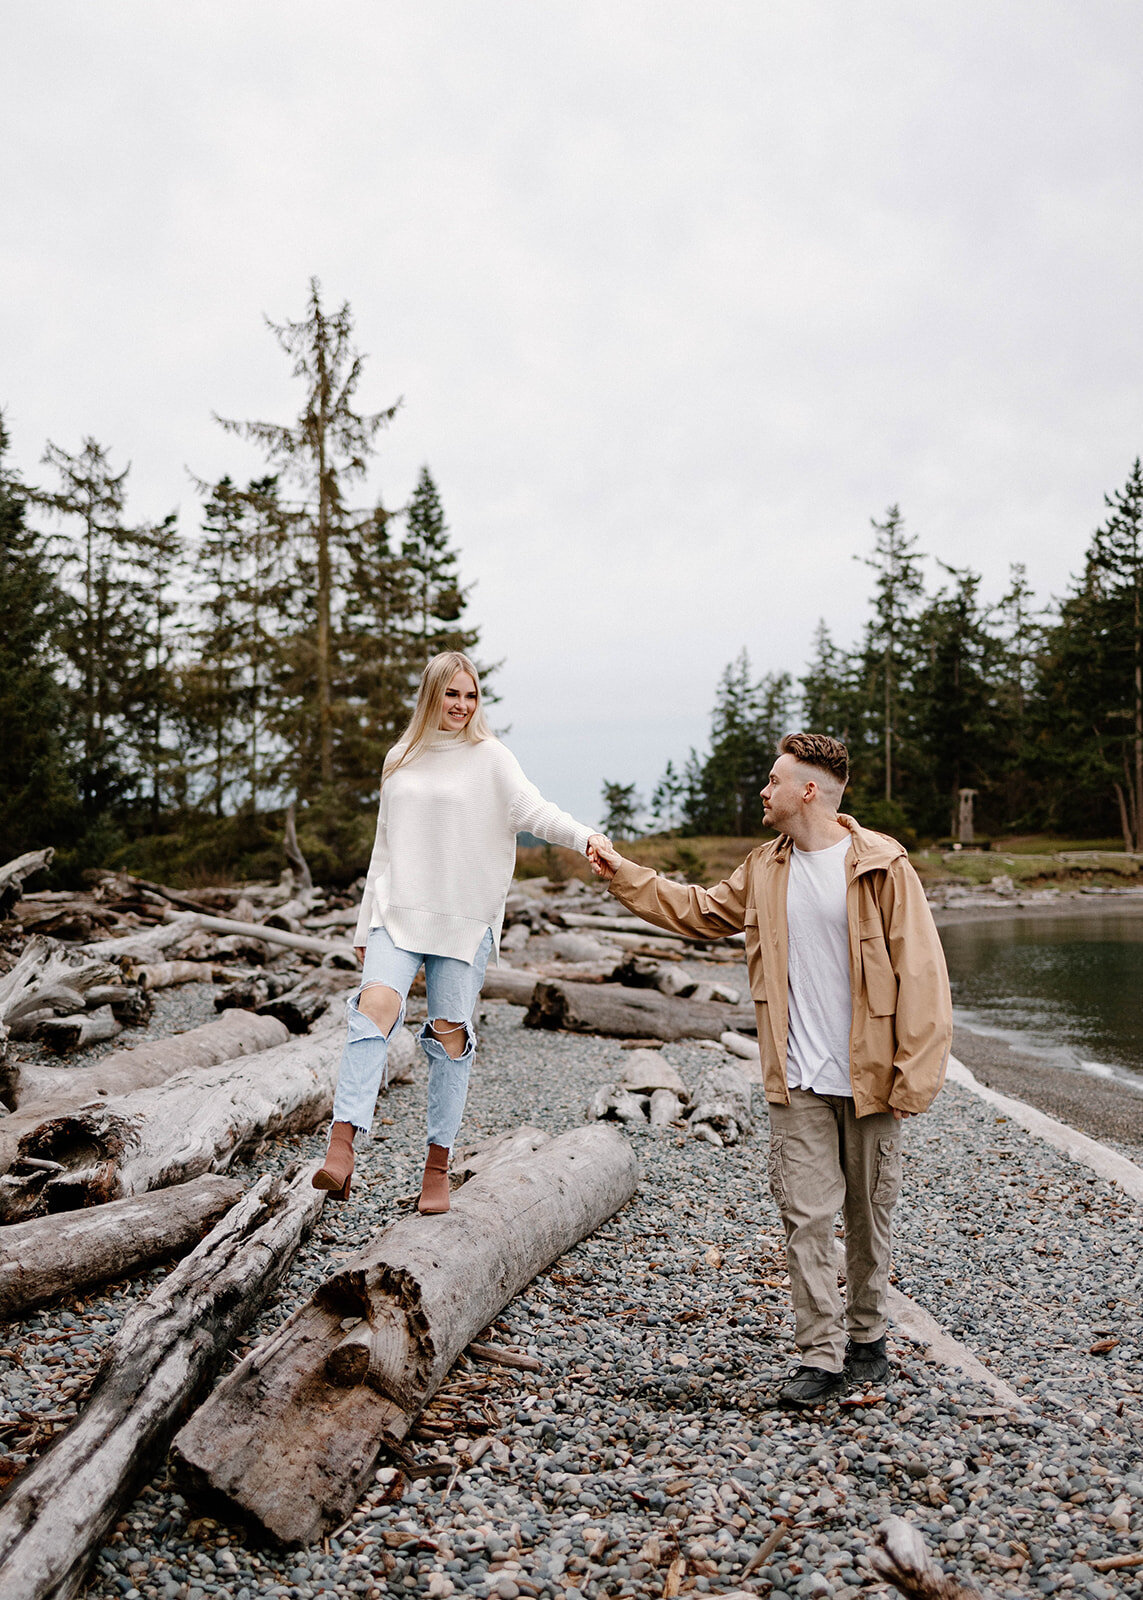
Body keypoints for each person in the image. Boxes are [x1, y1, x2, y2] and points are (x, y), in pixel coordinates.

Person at [588, 732, 951, 1408]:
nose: (764, 789)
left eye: (774, 779)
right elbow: (696, 911)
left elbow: (924, 975)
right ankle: (819, 1355)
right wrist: (622, 875)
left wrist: (914, 1077)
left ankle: (868, 1336)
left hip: (873, 1078)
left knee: (870, 1215)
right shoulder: (763, 868)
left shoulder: (881, 864)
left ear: (808, 790)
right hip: (798, 1078)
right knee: (805, 1219)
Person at [314, 651, 609, 1212]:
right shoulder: (400, 757)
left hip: (463, 917)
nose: (462, 705)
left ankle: (437, 1168)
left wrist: (586, 838)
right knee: (374, 1006)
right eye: (452, 694)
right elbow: (384, 844)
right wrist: (363, 920)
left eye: (471, 695)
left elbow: (535, 811)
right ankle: (342, 1146)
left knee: (449, 1037)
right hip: (397, 911)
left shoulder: (491, 757)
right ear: (431, 695)